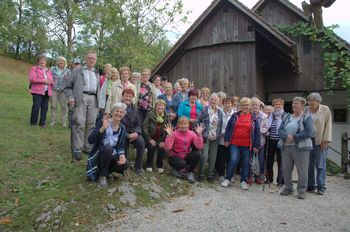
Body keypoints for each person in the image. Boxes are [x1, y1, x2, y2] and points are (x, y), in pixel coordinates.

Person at [64, 51, 100, 161]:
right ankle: (77, 148)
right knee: (79, 122)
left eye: (93, 58)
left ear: (96, 60)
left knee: (91, 124)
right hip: (80, 98)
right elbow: (68, 87)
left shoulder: (97, 72)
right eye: (89, 58)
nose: (91, 60)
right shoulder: (77, 70)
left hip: (93, 99)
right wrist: (70, 98)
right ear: (85, 58)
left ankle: (88, 147)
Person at [221, 97, 260, 190]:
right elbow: (228, 128)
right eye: (243, 105)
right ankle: (227, 179)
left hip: (247, 144)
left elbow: (257, 132)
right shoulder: (235, 116)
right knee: (233, 160)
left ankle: (243, 181)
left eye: (246, 105)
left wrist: (256, 145)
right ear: (240, 106)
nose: (245, 106)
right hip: (234, 143)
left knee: (245, 163)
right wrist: (226, 139)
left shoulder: (253, 118)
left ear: (250, 106)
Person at [86, 103, 129, 188]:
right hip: (100, 153)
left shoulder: (122, 128)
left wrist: (122, 155)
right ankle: (102, 175)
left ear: (123, 115)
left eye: (121, 112)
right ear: (112, 113)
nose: (119, 114)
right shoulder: (103, 123)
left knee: (125, 164)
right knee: (108, 149)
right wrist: (102, 129)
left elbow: (121, 146)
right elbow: (90, 140)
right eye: (117, 111)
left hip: (112, 154)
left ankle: (107, 171)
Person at [278, 97, 313, 199]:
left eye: (296, 103)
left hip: (301, 148)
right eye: (293, 103)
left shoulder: (307, 117)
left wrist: (294, 137)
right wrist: (285, 136)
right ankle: (288, 188)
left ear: (302, 105)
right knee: (286, 168)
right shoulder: (286, 117)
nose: (294, 105)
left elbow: (308, 132)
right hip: (286, 147)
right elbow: (280, 130)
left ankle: (302, 190)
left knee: (302, 169)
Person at [305, 92, 332, 195]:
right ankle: (311, 186)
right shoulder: (306, 110)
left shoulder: (325, 109)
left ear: (318, 101)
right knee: (309, 165)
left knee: (320, 165)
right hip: (308, 140)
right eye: (309, 100)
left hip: (320, 140)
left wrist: (326, 140)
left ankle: (321, 187)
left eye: (312, 100)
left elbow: (328, 126)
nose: (310, 102)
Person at [164, 117, 205, 183]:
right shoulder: (174, 133)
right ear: (178, 125)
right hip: (174, 157)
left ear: (188, 124)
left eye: (185, 124)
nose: (183, 126)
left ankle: (190, 173)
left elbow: (199, 147)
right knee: (182, 164)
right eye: (181, 124)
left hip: (185, 156)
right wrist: (169, 136)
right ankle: (176, 169)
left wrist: (199, 135)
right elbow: (167, 148)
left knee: (197, 154)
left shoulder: (192, 133)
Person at [197, 93, 223, 182]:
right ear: (209, 100)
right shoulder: (204, 110)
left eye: (215, 100)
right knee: (204, 156)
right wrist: (199, 129)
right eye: (211, 99)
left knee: (213, 157)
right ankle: (201, 174)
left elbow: (222, 124)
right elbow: (197, 121)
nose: (213, 101)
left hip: (215, 137)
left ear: (218, 101)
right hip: (205, 136)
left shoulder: (220, 112)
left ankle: (210, 175)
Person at [120, 89, 145, 175]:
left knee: (141, 142)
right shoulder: (118, 107)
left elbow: (139, 124)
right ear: (122, 97)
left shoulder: (135, 109)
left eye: (130, 97)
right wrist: (128, 135)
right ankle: (123, 165)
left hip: (134, 133)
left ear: (132, 98)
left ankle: (138, 167)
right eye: (126, 96)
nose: (128, 98)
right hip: (122, 133)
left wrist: (136, 133)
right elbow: (117, 125)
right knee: (123, 142)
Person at [143, 99, 169, 173]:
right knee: (151, 147)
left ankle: (159, 166)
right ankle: (149, 165)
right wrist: (149, 139)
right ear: (155, 106)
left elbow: (169, 128)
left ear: (164, 107)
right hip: (151, 137)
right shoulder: (150, 114)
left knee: (162, 148)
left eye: (162, 105)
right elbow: (145, 126)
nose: (160, 107)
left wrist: (164, 141)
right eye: (158, 105)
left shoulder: (166, 115)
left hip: (161, 138)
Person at [29, 54, 54, 128]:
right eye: (41, 60)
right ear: (38, 61)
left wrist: (50, 82)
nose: (43, 61)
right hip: (37, 91)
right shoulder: (34, 69)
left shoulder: (48, 71)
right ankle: (33, 123)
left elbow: (52, 81)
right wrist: (43, 81)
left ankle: (42, 123)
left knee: (45, 108)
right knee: (36, 106)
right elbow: (32, 79)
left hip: (47, 91)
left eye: (44, 60)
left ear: (46, 62)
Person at [266, 98, 286, 186]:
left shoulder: (286, 116)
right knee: (269, 160)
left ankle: (280, 180)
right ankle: (269, 178)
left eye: (280, 104)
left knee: (280, 161)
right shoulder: (271, 116)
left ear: (282, 106)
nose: (278, 106)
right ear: (273, 106)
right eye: (276, 104)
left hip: (281, 141)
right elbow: (266, 126)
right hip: (271, 141)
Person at [251, 97, 269, 184]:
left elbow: (266, 127)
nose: (255, 106)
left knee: (260, 159)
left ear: (259, 106)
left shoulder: (264, 116)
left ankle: (259, 176)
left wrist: (259, 130)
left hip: (261, 141)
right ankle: (250, 176)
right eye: (253, 105)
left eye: (256, 105)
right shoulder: (249, 115)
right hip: (250, 141)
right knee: (250, 159)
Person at [216, 97, 235, 180]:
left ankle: (229, 174)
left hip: (231, 139)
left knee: (230, 158)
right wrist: (222, 133)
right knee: (221, 157)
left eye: (229, 103)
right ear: (223, 104)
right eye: (226, 103)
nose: (227, 105)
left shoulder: (234, 114)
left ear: (231, 104)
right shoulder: (219, 112)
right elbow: (216, 124)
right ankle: (221, 174)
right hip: (221, 138)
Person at [50, 56, 70, 127]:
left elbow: (69, 82)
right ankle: (53, 120)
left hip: (63, 91)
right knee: (53, 106)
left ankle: (63, 121)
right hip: (54, 90)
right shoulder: (52, 69)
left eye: (63, 61)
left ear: (65, 63)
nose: (61, 62)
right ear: (57, 62)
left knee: (64, 107)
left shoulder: (67, 71)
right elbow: (49, 77)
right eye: (60, 60)